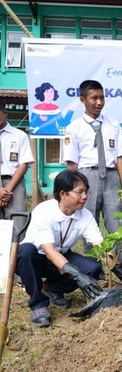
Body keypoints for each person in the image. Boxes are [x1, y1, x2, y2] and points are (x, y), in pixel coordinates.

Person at [63, 80, 122, 294]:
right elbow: (72, 165)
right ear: (82, 100)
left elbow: (120, 158)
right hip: (86, 178)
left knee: (119, 230)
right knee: (90, 228)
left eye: (102, 98)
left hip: (112, 178)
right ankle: (95, 279)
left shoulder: (113, 125)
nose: (99, 102)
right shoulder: (74, 128)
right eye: (94, 98)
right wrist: (74, 190)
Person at [16, 170, 104, 327]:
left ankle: (51, 288)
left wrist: (120, 270)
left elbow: (101, 246)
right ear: (63, 194)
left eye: (86, 192)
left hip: (61, 256)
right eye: (80, 192)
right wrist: (77, 274)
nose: (85, 196)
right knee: (25, 251)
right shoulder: (44, 211)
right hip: (38, 257)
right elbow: (49, 251)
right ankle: (38, 304)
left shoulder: (85, 215)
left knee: (93, 269)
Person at [0, 98, 35, 236]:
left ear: (5, 113)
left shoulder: (20, 135)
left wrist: (7, 190)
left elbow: (24, 164)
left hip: (14, 184)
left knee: (18, 225)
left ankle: (17, 256)